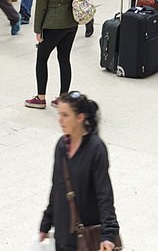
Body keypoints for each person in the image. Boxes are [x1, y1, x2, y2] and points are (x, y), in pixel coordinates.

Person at [38, 91, 120, 249]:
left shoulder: (96, 149)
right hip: (62, 235)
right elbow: (57, 187)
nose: (59, 120)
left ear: (80, 117)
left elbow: (104, 194)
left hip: (84, 238)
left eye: (65, 115)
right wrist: (46, 223)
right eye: (59, 114)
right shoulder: (62, 146)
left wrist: (108, 234)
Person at [25, 0, 78, 110]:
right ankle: (64, 97)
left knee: (42, 58)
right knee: (64, 59)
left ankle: (40, 97)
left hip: (52, 25)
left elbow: (41, 6)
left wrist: (37, 29)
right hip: (70, 23)